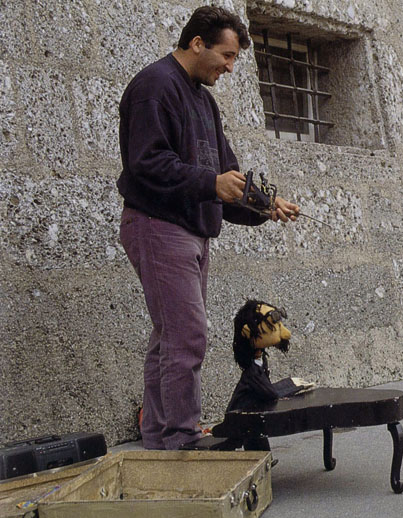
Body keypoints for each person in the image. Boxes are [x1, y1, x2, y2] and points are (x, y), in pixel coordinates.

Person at [117, 6, 300, 449]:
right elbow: (145, 165)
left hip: (189, 231)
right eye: (227, 55)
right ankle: (179, 439)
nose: (230, 67)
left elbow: (225, 179)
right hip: (159, 226)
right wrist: (212, 183)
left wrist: (263, 206)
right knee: (186, 335)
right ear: (197, 43)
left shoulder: (203, 100)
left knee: (170, 338)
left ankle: (160, 435)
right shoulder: (154, 87)